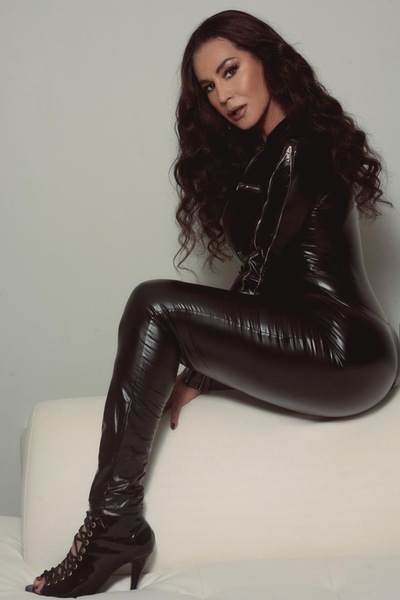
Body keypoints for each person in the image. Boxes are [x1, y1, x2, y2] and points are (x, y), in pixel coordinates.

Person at [26, 9, 399, 598]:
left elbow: (259, 272)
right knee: (157, 307)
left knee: (153, 302)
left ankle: (111, 527)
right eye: (207, 87)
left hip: (341, 347)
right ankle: (114, 527)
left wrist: (198, 369)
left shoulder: (301, 146)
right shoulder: (266, 152)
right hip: (327, 342)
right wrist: (202, 370)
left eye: (230, 71)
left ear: (269, 60)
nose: (222, 96)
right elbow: (269, 283)